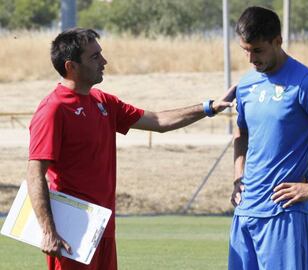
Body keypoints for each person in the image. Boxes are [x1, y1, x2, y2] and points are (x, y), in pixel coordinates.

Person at [27, 27, 235, 270]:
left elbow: (158, 121)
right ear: (71, 66)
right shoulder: (53, 109)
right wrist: (48, 231)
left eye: (101, 54)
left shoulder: (103, 102)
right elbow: (34, 174)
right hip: (70, 233)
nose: (104, 61)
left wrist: (209, 107)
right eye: (94, 57)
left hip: (103, 229)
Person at [229, 6, 308, 270]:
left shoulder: (306, 83)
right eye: (245, 49)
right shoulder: (245, 85)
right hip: (245, 213)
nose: (250, 58)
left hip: (284, 213)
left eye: (257, 50)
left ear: (278, 41)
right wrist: (238, 175)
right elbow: (241, 133)